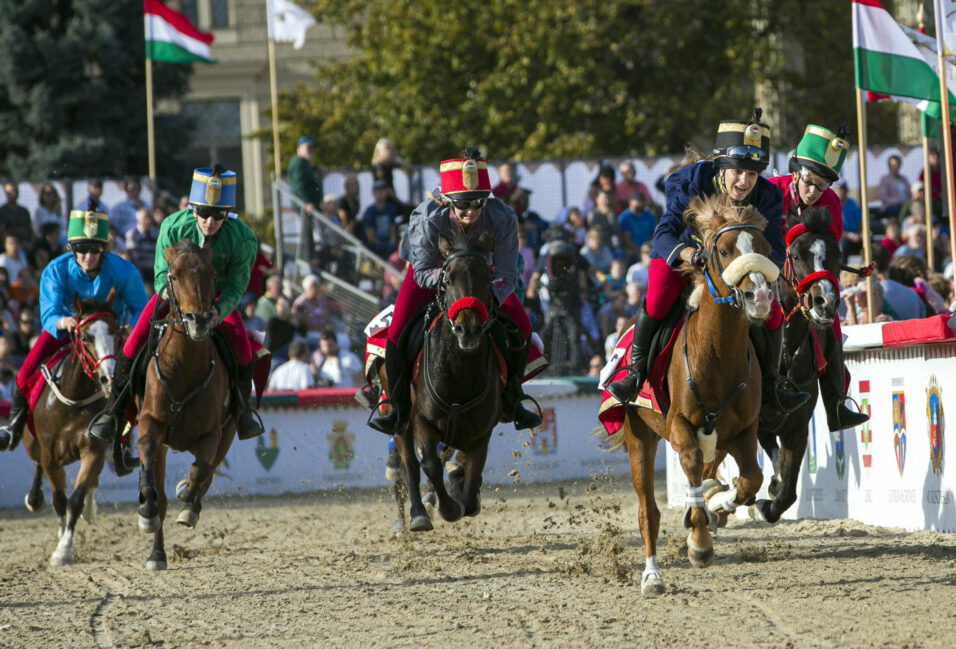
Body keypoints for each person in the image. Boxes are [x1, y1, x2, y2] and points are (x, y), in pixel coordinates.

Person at [605, 108, 809, 424]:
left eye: (752, 174)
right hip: (684, 259)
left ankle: (771, 383)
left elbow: (776, 248)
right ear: (721, 167)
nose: (744, 182)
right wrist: (693, 257)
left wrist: (758, 274)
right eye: (737, 172)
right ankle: (635, 373)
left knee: (771, 312)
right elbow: (663, 235)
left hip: (737, 269)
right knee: (658, 299)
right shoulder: (691, 181)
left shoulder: (768, 196)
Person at [368, 147, 542, 434]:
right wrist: (454, 288)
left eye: (478, 205)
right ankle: (397, 405)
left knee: (523, 325)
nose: (471, 212)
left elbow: (508, 274)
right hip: (431, 274)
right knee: (397, 330)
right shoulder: (428, 217)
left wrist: (479, 298)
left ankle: (513, 397)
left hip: (480, 279)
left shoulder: (503, 217)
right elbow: (423, 272)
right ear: (447, 202)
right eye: (463, 207)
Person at [86, 165, 265, 443]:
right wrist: (173, 297)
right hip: (175, 294)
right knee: (133, 342)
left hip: (215, 299)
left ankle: (243, 410)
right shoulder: (172, 226)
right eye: (204, 213)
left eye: (218, 214)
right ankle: (113, 412)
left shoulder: (243, 239)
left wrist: (218, 311)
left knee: (243, 347)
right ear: (193, 209)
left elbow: (236, 286)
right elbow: (159, 276)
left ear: (228, 213)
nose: (210, 221)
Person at [0, 204, 149, 460]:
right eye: (81, 249)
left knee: (138, 375)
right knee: (26, 370)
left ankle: (126, 440)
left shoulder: (124, 271)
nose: (88, 256)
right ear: (72, 250)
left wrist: (130, 326)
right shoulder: (55, 271)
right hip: (66, 331)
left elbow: (141, 307)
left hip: (111, 335)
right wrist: (64, 322)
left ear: (104, 250)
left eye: (95, 250)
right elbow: (49, 314)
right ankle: (14, 426)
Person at [766, 123, 868, 431]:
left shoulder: (832, 203)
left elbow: (831, 254)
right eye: (809, 182)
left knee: (830, 319)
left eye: (822, 186)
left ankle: (837, 404)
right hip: (768, 275)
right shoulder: (772, 192)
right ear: (795, 171)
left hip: (808, 280)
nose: (814, 192)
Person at [287, 135, 321, 263]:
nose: (311, 150)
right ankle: (309, 256)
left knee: (310, 229)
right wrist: (307, 202)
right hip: (302, 204)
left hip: (306, 204)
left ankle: (312, 255)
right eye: (308, 147)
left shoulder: (304, 163)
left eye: (312, 148)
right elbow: (299, 186)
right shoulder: (297, 162)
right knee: (307, 230)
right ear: (299, 148)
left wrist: (316, 169)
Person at [361, 180, 399, 257]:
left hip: (388, 244)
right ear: (373, 193)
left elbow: (392, 230)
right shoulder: (369, 212)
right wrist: (385, 246)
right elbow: (371, 237)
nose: (380, 193)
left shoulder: (391, 209)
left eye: (382, 190)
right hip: (374, 247)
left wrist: (391, 245)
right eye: (378, 191)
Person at [617, 192, 656, 258]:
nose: (640, 203)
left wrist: (649, 248)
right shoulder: (625, 217)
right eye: (638, 201)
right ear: (630, 202)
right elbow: (626, 239)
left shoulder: (649, 216)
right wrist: (640, 250)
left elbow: (653, 234)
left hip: (648, 250)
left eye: (642, 201)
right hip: (632, 251)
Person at [0, 182, 35, 250]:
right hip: (10, 245)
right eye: (10, 192)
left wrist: (32, 242)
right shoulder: (2, 211)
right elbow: (2, 232)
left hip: (26, 244)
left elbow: (30, 229)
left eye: (15, 191)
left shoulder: (24, 211)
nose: (13, 194)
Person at [834, 180, 863, 259]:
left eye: (843, 189)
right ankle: (843, 269)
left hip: (857, 236)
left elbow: (860, 221)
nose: (841, 191)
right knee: (842, 244)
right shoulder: (832, 206)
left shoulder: (852, 202)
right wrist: (851, 235)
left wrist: (862, 233)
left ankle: (870, 268)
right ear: (835, 191)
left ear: (846, 190)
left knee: (869, 241)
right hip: (843, 238)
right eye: (839, 189)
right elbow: (835, 229)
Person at [877, 154, 910, 220]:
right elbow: (883, 197)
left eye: (896, 165)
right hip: (891, 207)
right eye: (891, 165)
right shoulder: (885, 179)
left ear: (899, 165)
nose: (894, 167)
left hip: (905, 205)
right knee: (895, 210)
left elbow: (909, 193)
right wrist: (898, 201)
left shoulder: (904, 179)